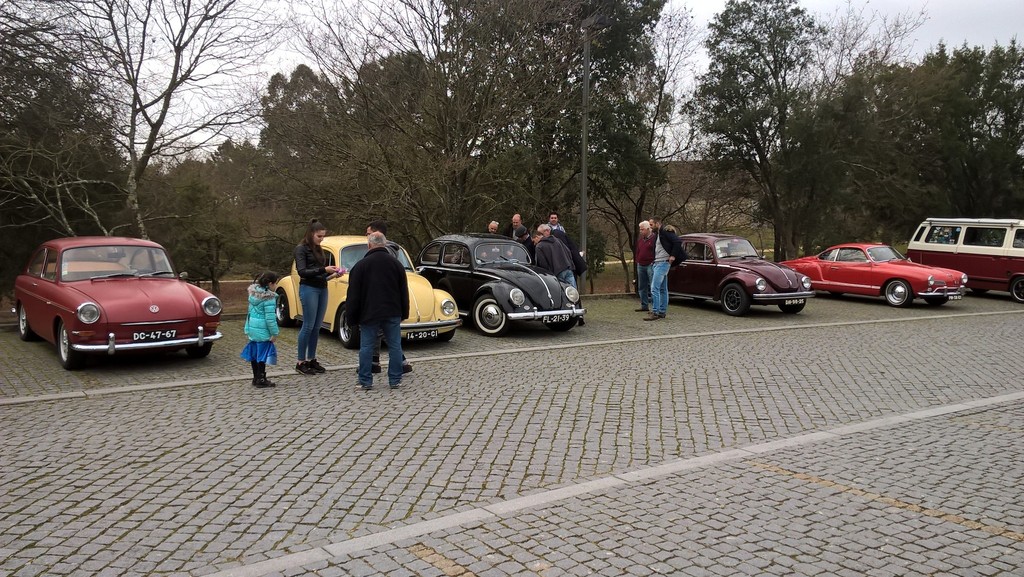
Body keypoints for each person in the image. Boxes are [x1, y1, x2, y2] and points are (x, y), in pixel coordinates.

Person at [347, 231, 409, 390]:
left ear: (369, 245)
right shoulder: (396, 264)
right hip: (392, 311)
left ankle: (365, 381)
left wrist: (352, 317)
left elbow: (353, 295)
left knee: (366, 347)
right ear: (385, 244)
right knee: (395, 346)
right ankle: (395, 379)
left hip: (369, 313)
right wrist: (404, 312)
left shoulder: (360, 266)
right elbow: (404, 290)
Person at [294, 219, 342, 374]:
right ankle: (301, 361)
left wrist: (332, 274)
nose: (321, 239)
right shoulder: (301, 249)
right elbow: (302, 272)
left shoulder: (319, 249)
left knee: (317, 326)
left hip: (322, 287)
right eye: (319, 236)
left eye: (323, 237)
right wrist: (324, 269)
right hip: (308, 288)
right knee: (308, 325)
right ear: (311, 234)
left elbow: (321, 273)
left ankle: (311, 359)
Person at [367, 221, 413, 374]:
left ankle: (389, 364)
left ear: (377, 234)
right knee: (384, 332)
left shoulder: (386, 252)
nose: (366, 237)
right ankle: (382, 362)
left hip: (384, 298)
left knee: (382, 332)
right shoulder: (390, 251)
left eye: (368, 234)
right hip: (387, 299)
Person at [241, 271, 281, 388]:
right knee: (262, 355)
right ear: (270, 284)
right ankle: (261, 379)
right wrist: (274, 333)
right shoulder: (269, 299)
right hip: (263, 331)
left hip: (253, 329)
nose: (276, 286)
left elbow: (250, 313)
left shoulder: (253, 294)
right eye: (275, 284)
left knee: (254, 354)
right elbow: (270, 319)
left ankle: (255, 377)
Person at [646, 217, 685, 321]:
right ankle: (662, 311)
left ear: (657, 223)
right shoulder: (658, 234)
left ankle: (655, 311)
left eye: (651, 224)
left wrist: (673, 255)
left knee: (655, 288)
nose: (650, 227)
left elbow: (677, 241)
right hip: (658, 262)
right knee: (663, 289)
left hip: (663, 263)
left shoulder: (665, 232)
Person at [634, 220, 656, 313]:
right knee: (642, 286)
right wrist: (637, 260)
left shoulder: (654, 239)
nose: (641, 231)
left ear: (648, 229)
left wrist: (653, 261)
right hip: (641, 264)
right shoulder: (640, 240)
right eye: (640, 229)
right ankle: (644, 305)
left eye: (642, 229)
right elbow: (638, 251)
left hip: (650, 264)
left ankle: (655, 307)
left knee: (652, 286)